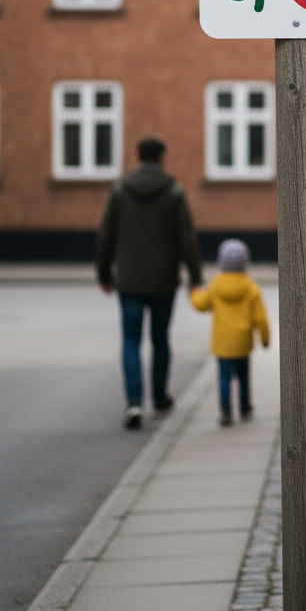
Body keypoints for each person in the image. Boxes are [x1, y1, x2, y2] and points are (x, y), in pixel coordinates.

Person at [96, 134, 202, 429]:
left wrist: (104, 274)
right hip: (163, 279)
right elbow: (187, 239)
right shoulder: (174, 192)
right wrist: (195, 278)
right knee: (160, 338)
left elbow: (106, 235)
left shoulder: (120, 190)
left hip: (128, 279)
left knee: (130, 339)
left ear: (138, 156)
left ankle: (133, 402)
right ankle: (159, 396)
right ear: (162, 158)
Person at [190, 238, 270, 426]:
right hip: (243, 342)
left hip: (222, 342)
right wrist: (265, 338)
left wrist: (194, 293)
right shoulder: (251, 287)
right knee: (243, 376)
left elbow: (202, 305)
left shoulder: (215, 285)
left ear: (221, 263)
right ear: (245, 263)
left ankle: (225, 411)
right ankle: (245, 407)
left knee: (224, 378)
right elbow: (260, 317)